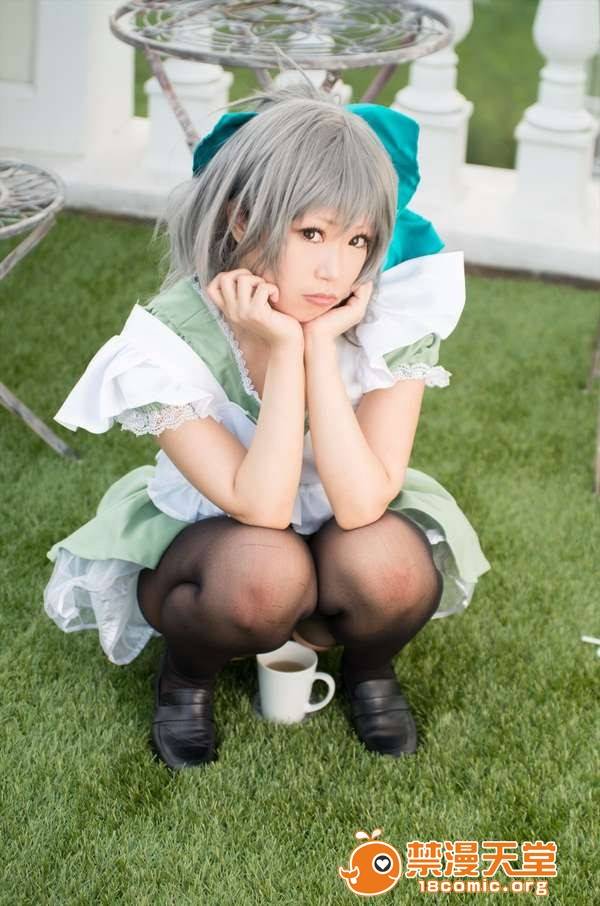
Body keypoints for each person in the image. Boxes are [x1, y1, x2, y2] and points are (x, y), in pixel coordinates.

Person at [43, 79, 491, 770]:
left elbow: (364, 502)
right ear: (242, 220)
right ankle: (187, 677)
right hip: (222, 545)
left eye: (357, 239)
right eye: (311, 233)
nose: (334, 269)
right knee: (263, 571)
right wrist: (284, 351)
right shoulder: (170, 338)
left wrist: (319, 345)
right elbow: (261, 507)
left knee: (395, 570)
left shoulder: (387, 315)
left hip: (342, 528)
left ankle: (369, 670)